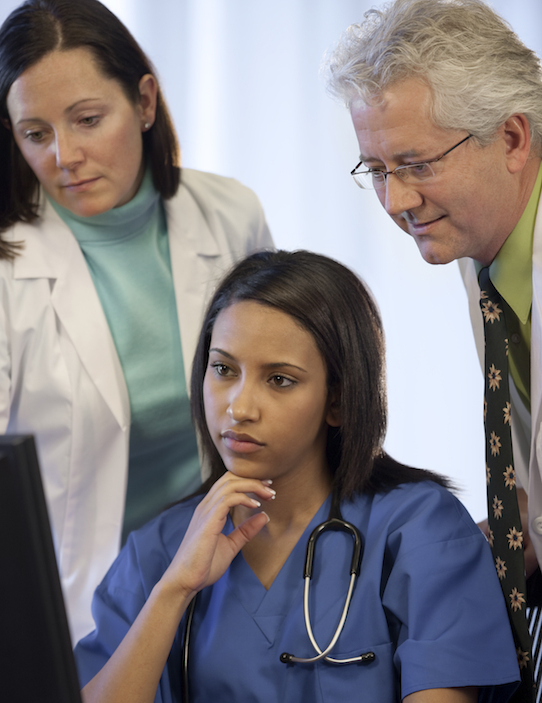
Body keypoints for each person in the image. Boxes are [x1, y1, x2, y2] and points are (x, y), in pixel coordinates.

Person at [0, 0, 272, 644]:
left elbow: (285, 386)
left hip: (227, 583)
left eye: (87, 119)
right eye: (35, 133)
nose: (63, 155)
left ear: (144, 102)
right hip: (68, 613)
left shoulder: (229, 215)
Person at [74, 249, 520, 703]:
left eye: (280, 380)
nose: (240, 408)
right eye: (224, 369)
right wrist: (174, 591)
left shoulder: (421, 530)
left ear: (338, 400)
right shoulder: (159, 552)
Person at [326, 0, 542, 697]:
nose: (395, 202)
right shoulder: (483, 249)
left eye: (415, 164)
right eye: (377, 169)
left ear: (510, 139)